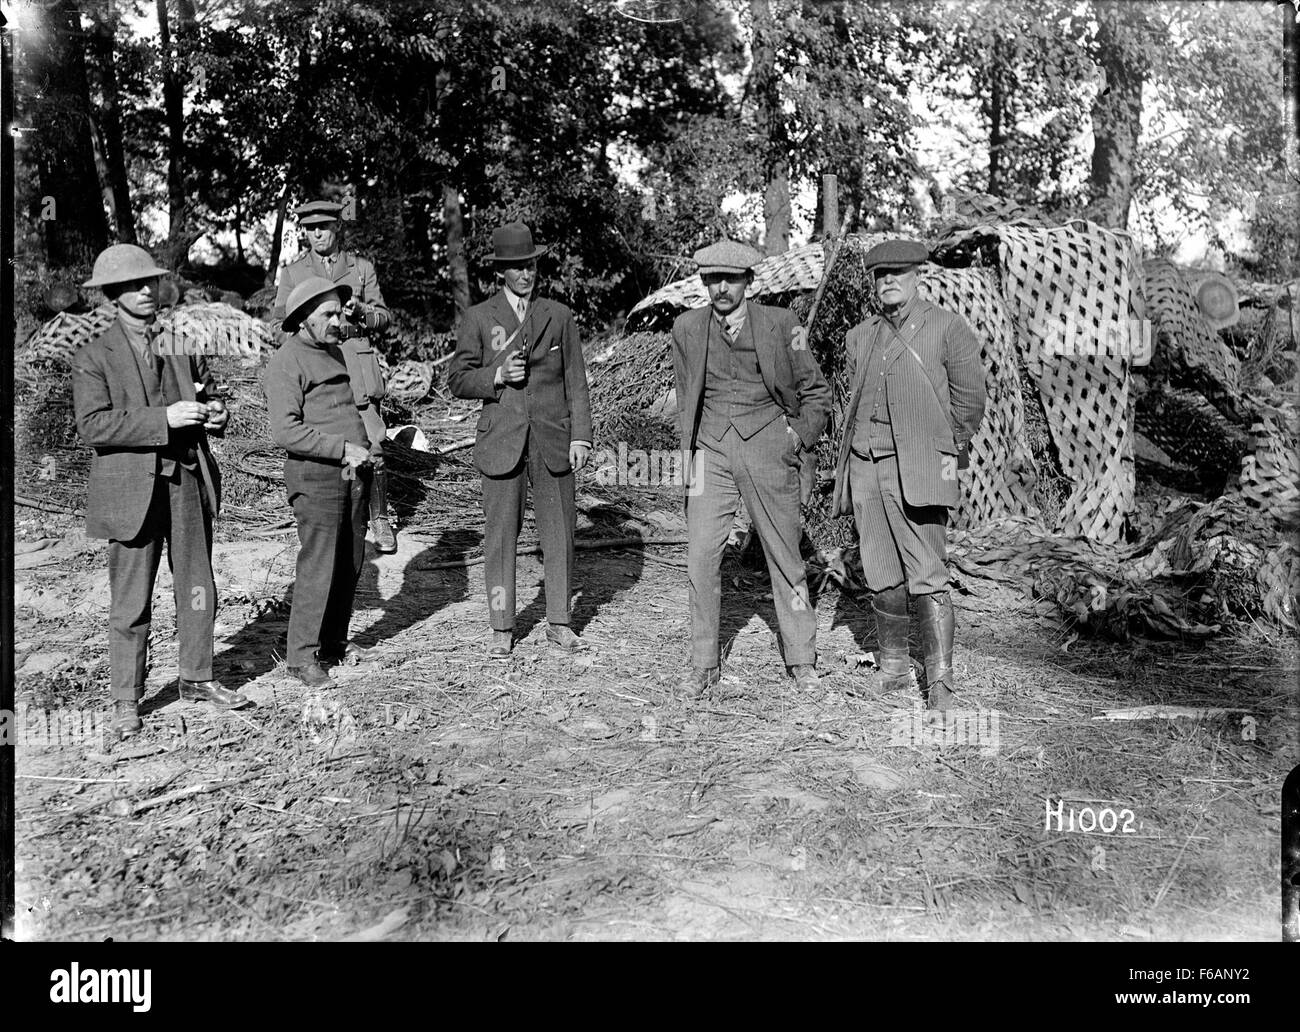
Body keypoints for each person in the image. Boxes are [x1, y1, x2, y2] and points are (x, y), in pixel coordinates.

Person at [72, 244, 252, 735]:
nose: (147, 291)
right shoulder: (93, 355)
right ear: (113, 294)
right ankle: (126, 699)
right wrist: (162, 419)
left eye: (150, 282)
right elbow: (93, 425)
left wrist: (216, 413)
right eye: (134, 285)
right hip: (131, 492)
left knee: (198, 586)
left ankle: (197, 676)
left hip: (187, 480)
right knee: (131, 600)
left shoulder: (178, 343)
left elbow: (209, 393)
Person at [670, 239, 832, 698]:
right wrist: (692, 449)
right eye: (712, 279)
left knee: (785, 556)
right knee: (701, 557)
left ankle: (802, 660)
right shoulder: (686, 328)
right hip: (711, 452)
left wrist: (795, 436)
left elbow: (816, 392)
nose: (720, 288)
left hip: (767, 445)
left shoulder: (784, 325)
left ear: (748, 281)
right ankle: (703, 664)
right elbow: (688, 397)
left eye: (730, 279)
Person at [831, 239, 986, 710]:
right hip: (866, 467)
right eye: (880, 275)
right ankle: (894, 667)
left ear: (918, 275)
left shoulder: (945, 328)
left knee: (927, 574)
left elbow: (970, 404)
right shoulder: (860, 336)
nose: (888, 281)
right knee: (880, 569)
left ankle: (940, 684)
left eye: (898, 272)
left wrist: (937, 454)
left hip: (917, 469)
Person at [448, 222, 593, 659]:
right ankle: (501, 626)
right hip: (502, 441)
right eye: (515, 267)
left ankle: (560, 622)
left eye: (529, 265)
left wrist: (581, 437)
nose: (525, 274)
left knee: (560, 533)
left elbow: (576, 382)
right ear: (500, 273)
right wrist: (494, 375)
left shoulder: (559, 316)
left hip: (553, 440)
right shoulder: (479, 317)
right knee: (500, 536)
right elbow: (456, 378)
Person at [265, 276, 375, 688]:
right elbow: (286, 432)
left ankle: (333, 642)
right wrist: (342, 448)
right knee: (319, 563)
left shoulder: (336, 353)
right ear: (303, 319)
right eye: (327, 314)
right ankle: (300, 657)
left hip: (353, 472)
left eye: (339, 311)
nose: (337, 319)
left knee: (349, 559)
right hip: (316, 476)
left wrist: (365, 447)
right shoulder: (286, 362)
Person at [272, 199, 397, 553]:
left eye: (324, 226)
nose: (317, 234)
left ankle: (379, 517)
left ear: (338, 227)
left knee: (373, 443)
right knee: (332, 442)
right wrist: (306, 342)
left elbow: (384, 317)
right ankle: (339, 512)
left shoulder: (360, 269)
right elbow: (278, 324)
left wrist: (362, 314)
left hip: (355, 366)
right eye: (310, 228)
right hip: (317, 368)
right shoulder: (293, 273)